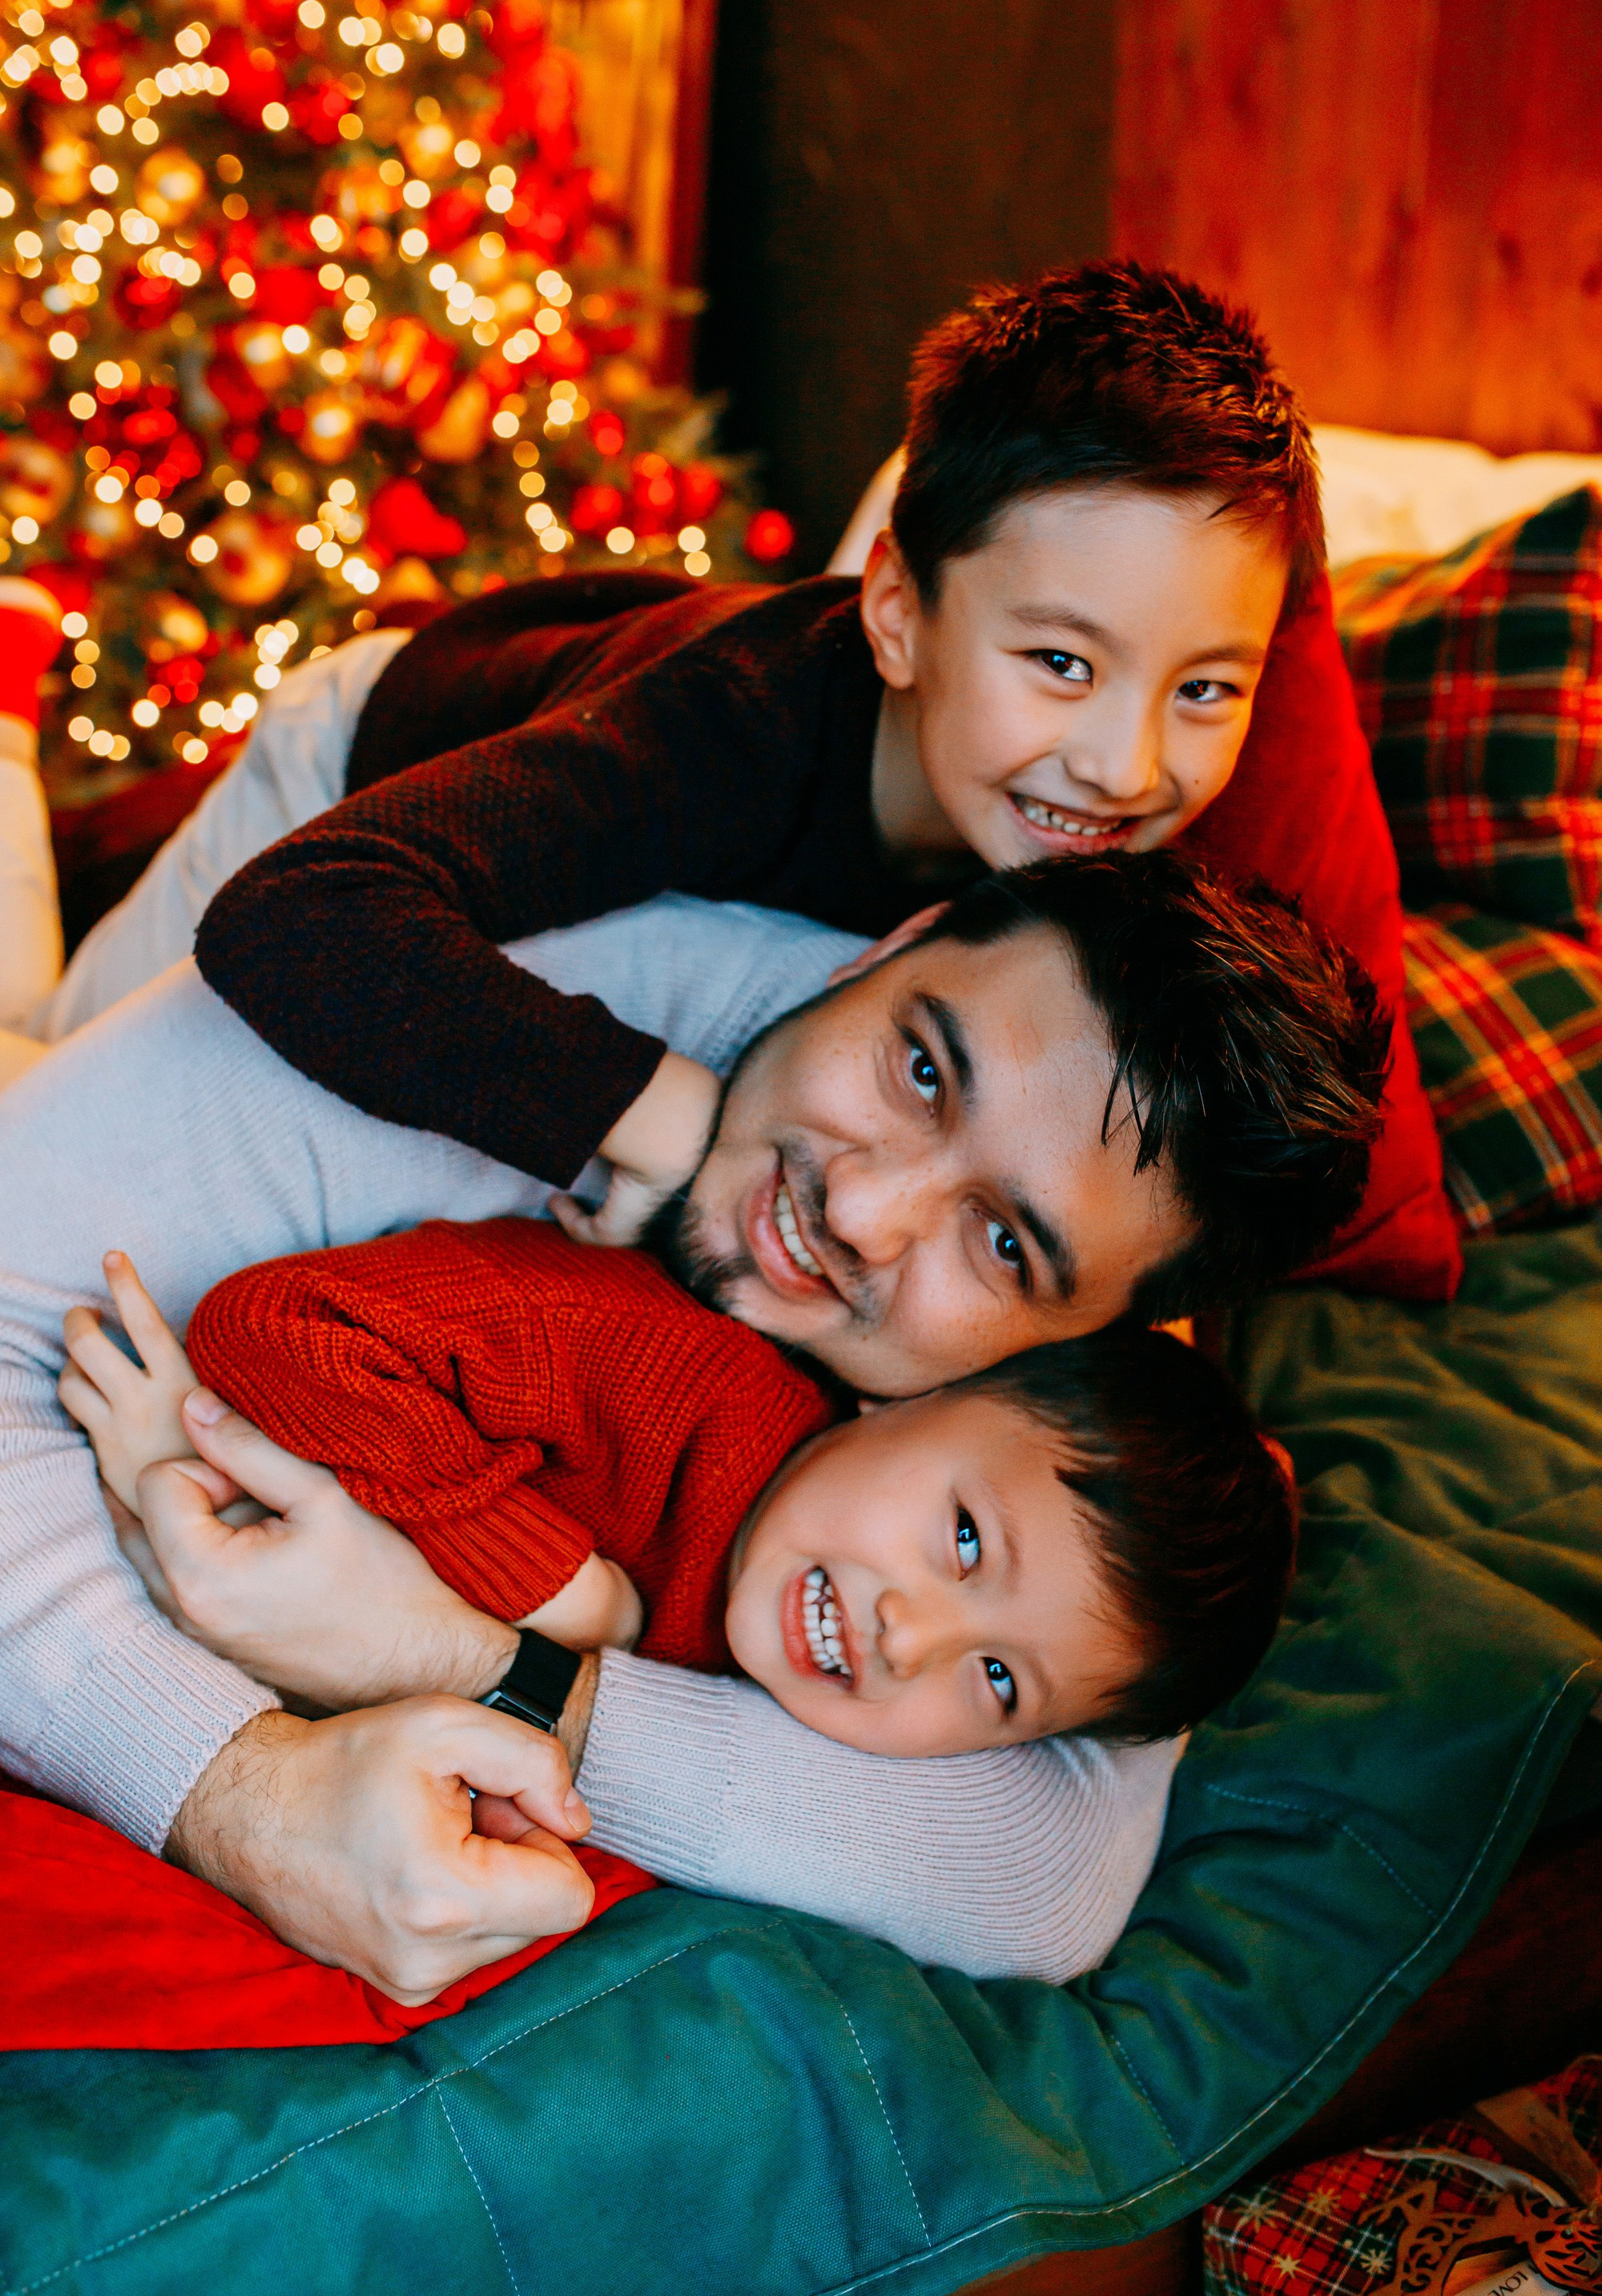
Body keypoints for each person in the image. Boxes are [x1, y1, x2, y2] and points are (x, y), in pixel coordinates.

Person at [0, 854, 1384, 1999]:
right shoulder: (507, 985)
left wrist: (459, 1653)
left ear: (1098, 1338)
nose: (861, 1211)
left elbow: (1048, 1878)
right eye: (918, 1070)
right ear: (883, 947)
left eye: (1006, 1246)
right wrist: (235, 1788)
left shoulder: (1073, 1428)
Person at [0, 262, 1456, 1293]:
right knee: (54, 1073)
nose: (1129, 764)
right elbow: (299, 916)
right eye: (1062, 664)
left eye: (1205, 689)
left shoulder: (1114, 841)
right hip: (370, 760)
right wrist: (652, 1110)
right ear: (895, 612)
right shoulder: (734, 735)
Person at [62, 1224, 1295, 1775]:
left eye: (998, 1684)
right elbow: (281, 1324)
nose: (908, 1636)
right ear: (913, 1389)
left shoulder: (766, 1702)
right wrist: (548, 1583)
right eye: (964, 1539)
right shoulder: (666, 1375)